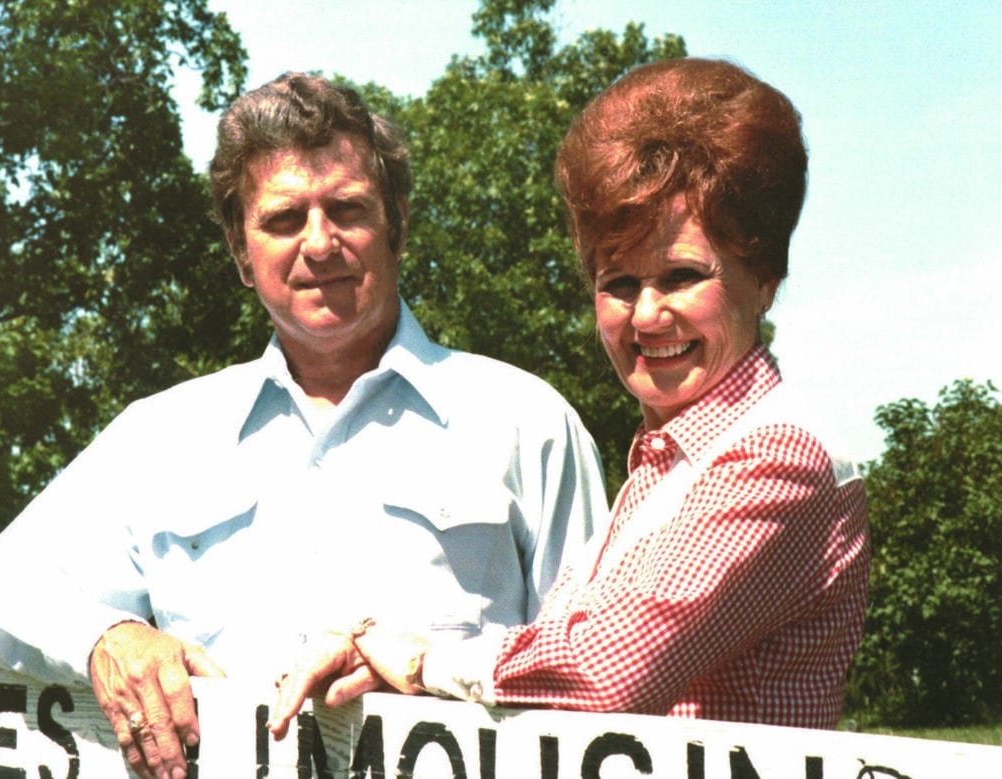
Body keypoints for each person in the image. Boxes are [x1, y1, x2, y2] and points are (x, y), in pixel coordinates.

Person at [0, 73, 608, 779]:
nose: (319, 242)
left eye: (347, 208)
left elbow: (602, 670)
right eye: (283, 219)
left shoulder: (528, 424)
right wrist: (107, 635)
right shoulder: (156, 438)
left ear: (397, 222)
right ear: (240, 251)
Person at [266, 57, 871, 735]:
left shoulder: (776, 453)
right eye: (618, 283)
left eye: (681, 276)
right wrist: (387, 664)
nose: (646, 316)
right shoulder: (669, 463)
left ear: (763, 277)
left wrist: (424, 661)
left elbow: (611, 666)